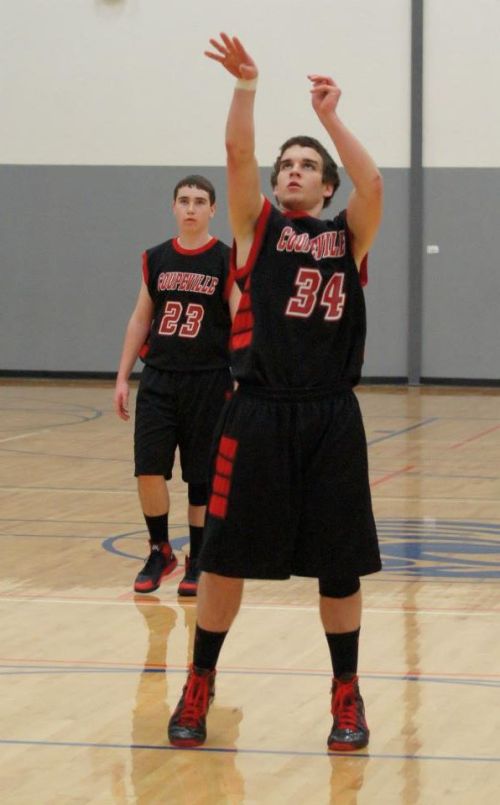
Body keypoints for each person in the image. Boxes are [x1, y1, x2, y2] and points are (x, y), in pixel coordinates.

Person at [168, 35, 383, 750]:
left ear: (325, 186)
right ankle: (200, 681)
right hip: (256, 411)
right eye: (285, 164)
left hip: (330, 415)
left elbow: (374, 186)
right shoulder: (255, 230)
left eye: (307, 166)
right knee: (224, 557)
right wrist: (248, 88)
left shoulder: (346, 239)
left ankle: (345, 694)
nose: (293, 171)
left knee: (340, 561)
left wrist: (329, 121)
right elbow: (235, 157)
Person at [114, 175, 233, 597]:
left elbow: (241, 321)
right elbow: (140, 318)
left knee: (200, 479)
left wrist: (248, 376)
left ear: (212, 210)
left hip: (209, 380)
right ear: (173, 207)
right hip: (160, 378)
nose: (191, 208)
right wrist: (123, 375)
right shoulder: (157, 257)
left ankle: (197, 558)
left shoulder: (226, 259)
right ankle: (160, 549)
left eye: (200, 201)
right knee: (147, 468)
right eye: (183, 200)